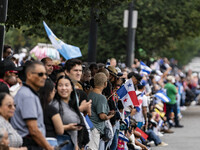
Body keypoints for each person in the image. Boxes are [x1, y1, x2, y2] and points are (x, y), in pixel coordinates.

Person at [10, 61, 54, 150]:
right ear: (29, 75)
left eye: (45, 74)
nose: (44, 77)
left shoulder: (29, 93)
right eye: (40, 74)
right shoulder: (28, 96)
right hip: (28, 142)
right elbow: (33, 130)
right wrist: (48, 147)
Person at [51, 75, 84, 150]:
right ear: (56, 88)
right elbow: (49, 127)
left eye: (66, 85)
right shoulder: (54, 105)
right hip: (60, 144)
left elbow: (75, 133)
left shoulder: (72, 105)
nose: (63, 88)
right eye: (60, 85)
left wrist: (76, 146)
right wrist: (68, 127)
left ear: (72, 88)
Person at [86, 72, 114, 150]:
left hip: (89, 126)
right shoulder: (101, 98)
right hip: (95, 129)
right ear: (105, 84)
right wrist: (109, 116)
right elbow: (102, 116)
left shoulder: (90, 94)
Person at [39, 79, 64, 146]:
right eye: (53, 91)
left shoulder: (33, 106)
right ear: (49, 92)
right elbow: (60, 130)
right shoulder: (51, 109)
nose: (54, 93)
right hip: (50, 141)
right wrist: (69, 127)